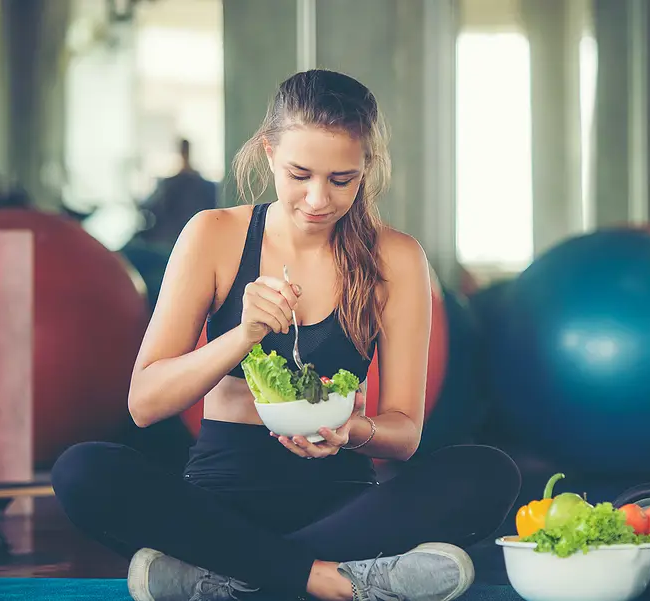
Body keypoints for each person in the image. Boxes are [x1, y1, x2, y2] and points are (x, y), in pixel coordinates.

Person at [51, 69, 521, 601]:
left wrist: (352, 428)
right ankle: (332, 579)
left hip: (344, 503)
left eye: (341, 180)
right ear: (269, 153)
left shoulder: (397, 257)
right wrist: (242, 334)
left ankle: (229, 580)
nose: (318, 199)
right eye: (300, 174)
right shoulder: (214, 234)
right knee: (82, 469)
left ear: (366, 170)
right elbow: (144, 404)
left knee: (488, 472)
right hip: (219, 499)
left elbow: (405, 433)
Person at [137, 138, 218, 251]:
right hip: (198, 241)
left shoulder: (169, 184)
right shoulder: (207, 186)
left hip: (170, 242)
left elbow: (150, 208)